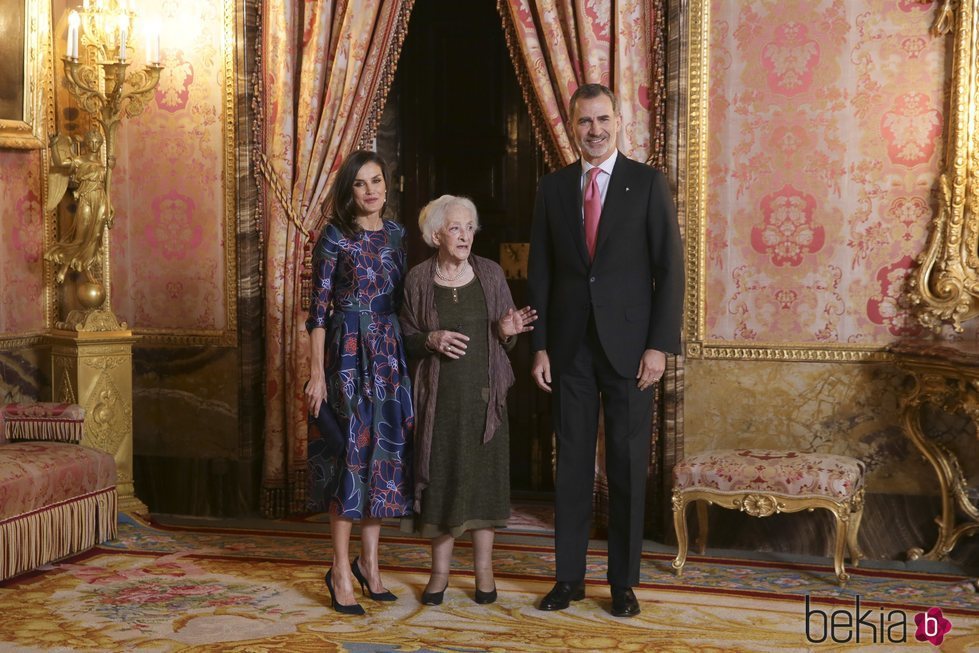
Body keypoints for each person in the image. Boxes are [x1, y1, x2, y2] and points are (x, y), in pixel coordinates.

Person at [527, 83, 684, 618]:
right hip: (569, 350)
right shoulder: (552, 188)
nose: (594, 131)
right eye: (584, 123)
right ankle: (567, 579)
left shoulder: (647, 184)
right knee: (570, 466)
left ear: (619, 122)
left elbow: (670, 271)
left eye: (602, 120)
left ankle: (623, 584)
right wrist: (541, 345)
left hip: (630, 350)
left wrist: (659, 347)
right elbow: (542, 274)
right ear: (572, 128)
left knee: (625, 464)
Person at [400, 195, 537, 605]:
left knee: (483, 486)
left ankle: (484, 575)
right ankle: (438, 575)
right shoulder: (418, 280)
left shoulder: (491, 274)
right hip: (438, 403)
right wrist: (431, 338)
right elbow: (406, 337)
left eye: (469, 227)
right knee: (441, 482)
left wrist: (506, 329)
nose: (465, 235)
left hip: (483, 400)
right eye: (456, 228)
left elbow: (505, 338)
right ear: (436, 233)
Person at [304, 149, 414, 616]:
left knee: (382, 458)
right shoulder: (334, 236)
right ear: (349, 191)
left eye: (377, 181)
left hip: (388, 354)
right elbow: (318, 311)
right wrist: (315, 373)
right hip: (346, 354)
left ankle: (369, 563)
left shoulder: (397, 235)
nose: (370, 190)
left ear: (387, 187)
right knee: (350, 455)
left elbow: (405, 299)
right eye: (360, 183)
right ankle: (339, 570)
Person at [44, 130, 114, 284]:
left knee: (95, 238)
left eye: (97, 142)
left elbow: (107, 188)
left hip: (101, 200)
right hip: (85, 199)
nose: (94, 145)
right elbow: (59, 163)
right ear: (86, 143)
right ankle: (64, 267)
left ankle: (87, 272)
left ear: (101, 144)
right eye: (91, 142)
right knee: (80, 237)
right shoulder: (79, 161)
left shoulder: (103, 164)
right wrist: (54, 144)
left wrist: (110, 207)